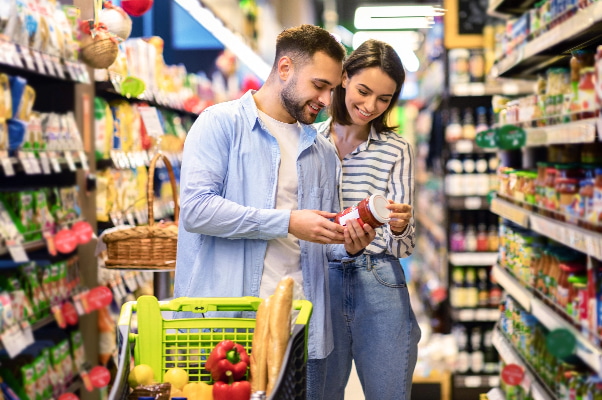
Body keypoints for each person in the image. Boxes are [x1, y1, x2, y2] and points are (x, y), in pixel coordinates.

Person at [173, 24, 376, 397]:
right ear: (285, 68)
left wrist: (348, 244)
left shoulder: (322, 151)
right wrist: (287, 222)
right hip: (226, 325)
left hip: (301, 328)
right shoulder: (220, 124)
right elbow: (197, 211)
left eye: (333, 90)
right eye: (319, 85)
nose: (326, 100)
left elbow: (321, 242)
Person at [314, 39, 422, 400]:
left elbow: (405, 247)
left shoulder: (397, 149)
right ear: (344, 78)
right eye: (363, 91)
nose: (370, 106)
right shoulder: (308, 142)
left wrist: (401, 226)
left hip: (379, 278)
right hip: (319, 280)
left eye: (384, 99)